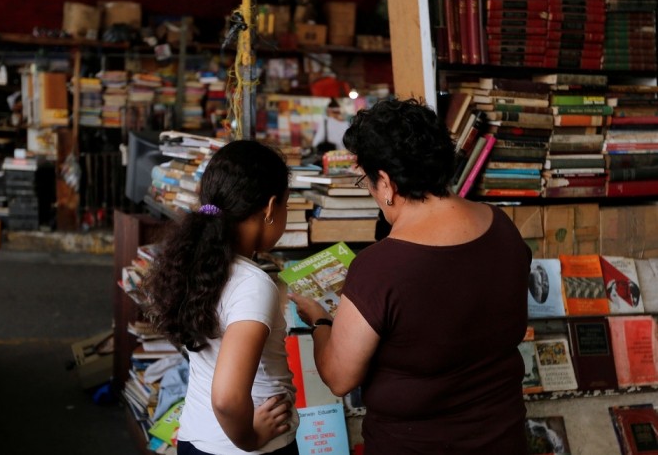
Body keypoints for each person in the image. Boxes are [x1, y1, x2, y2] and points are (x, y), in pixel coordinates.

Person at [288, 98, 532, 454]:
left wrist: (321, 321)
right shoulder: (502, 227)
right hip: (504, 441)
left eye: (367, 184)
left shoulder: (379, 267)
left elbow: (339, 377)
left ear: (385, 183)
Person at [142, 140, 299, 455]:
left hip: (196, 437)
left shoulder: (200, 262)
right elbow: (227, 398)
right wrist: (250, 438)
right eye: (286, 204)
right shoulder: (252, 284)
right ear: (270, 208)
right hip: (246, 447)